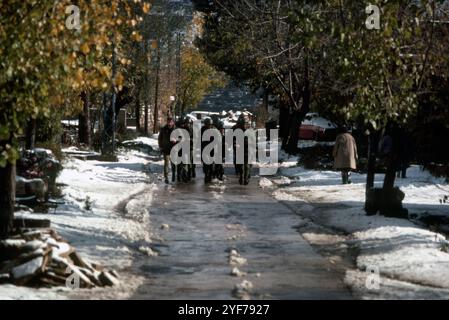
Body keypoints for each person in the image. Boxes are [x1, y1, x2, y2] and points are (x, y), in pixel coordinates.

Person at [158, 117, 177, 184]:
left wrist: (176, 140)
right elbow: (160, 138)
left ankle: (174, 176)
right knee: (166, 163)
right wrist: (160, 147)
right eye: (168, 122)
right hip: (166, 149)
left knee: (174, 164)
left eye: (171, 122)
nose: (169, 123)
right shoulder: (163, 129)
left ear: (173, 122)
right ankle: (166, 177)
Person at [201, 118, 215, 184]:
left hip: (212, 150)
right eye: (208, 124)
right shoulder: (202, 130)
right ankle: (207, 176)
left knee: (211, 165)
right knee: (206, 165)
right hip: (204, 150)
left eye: (210, 125)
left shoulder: (213, 130)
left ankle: (210, 176)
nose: (209, 126)